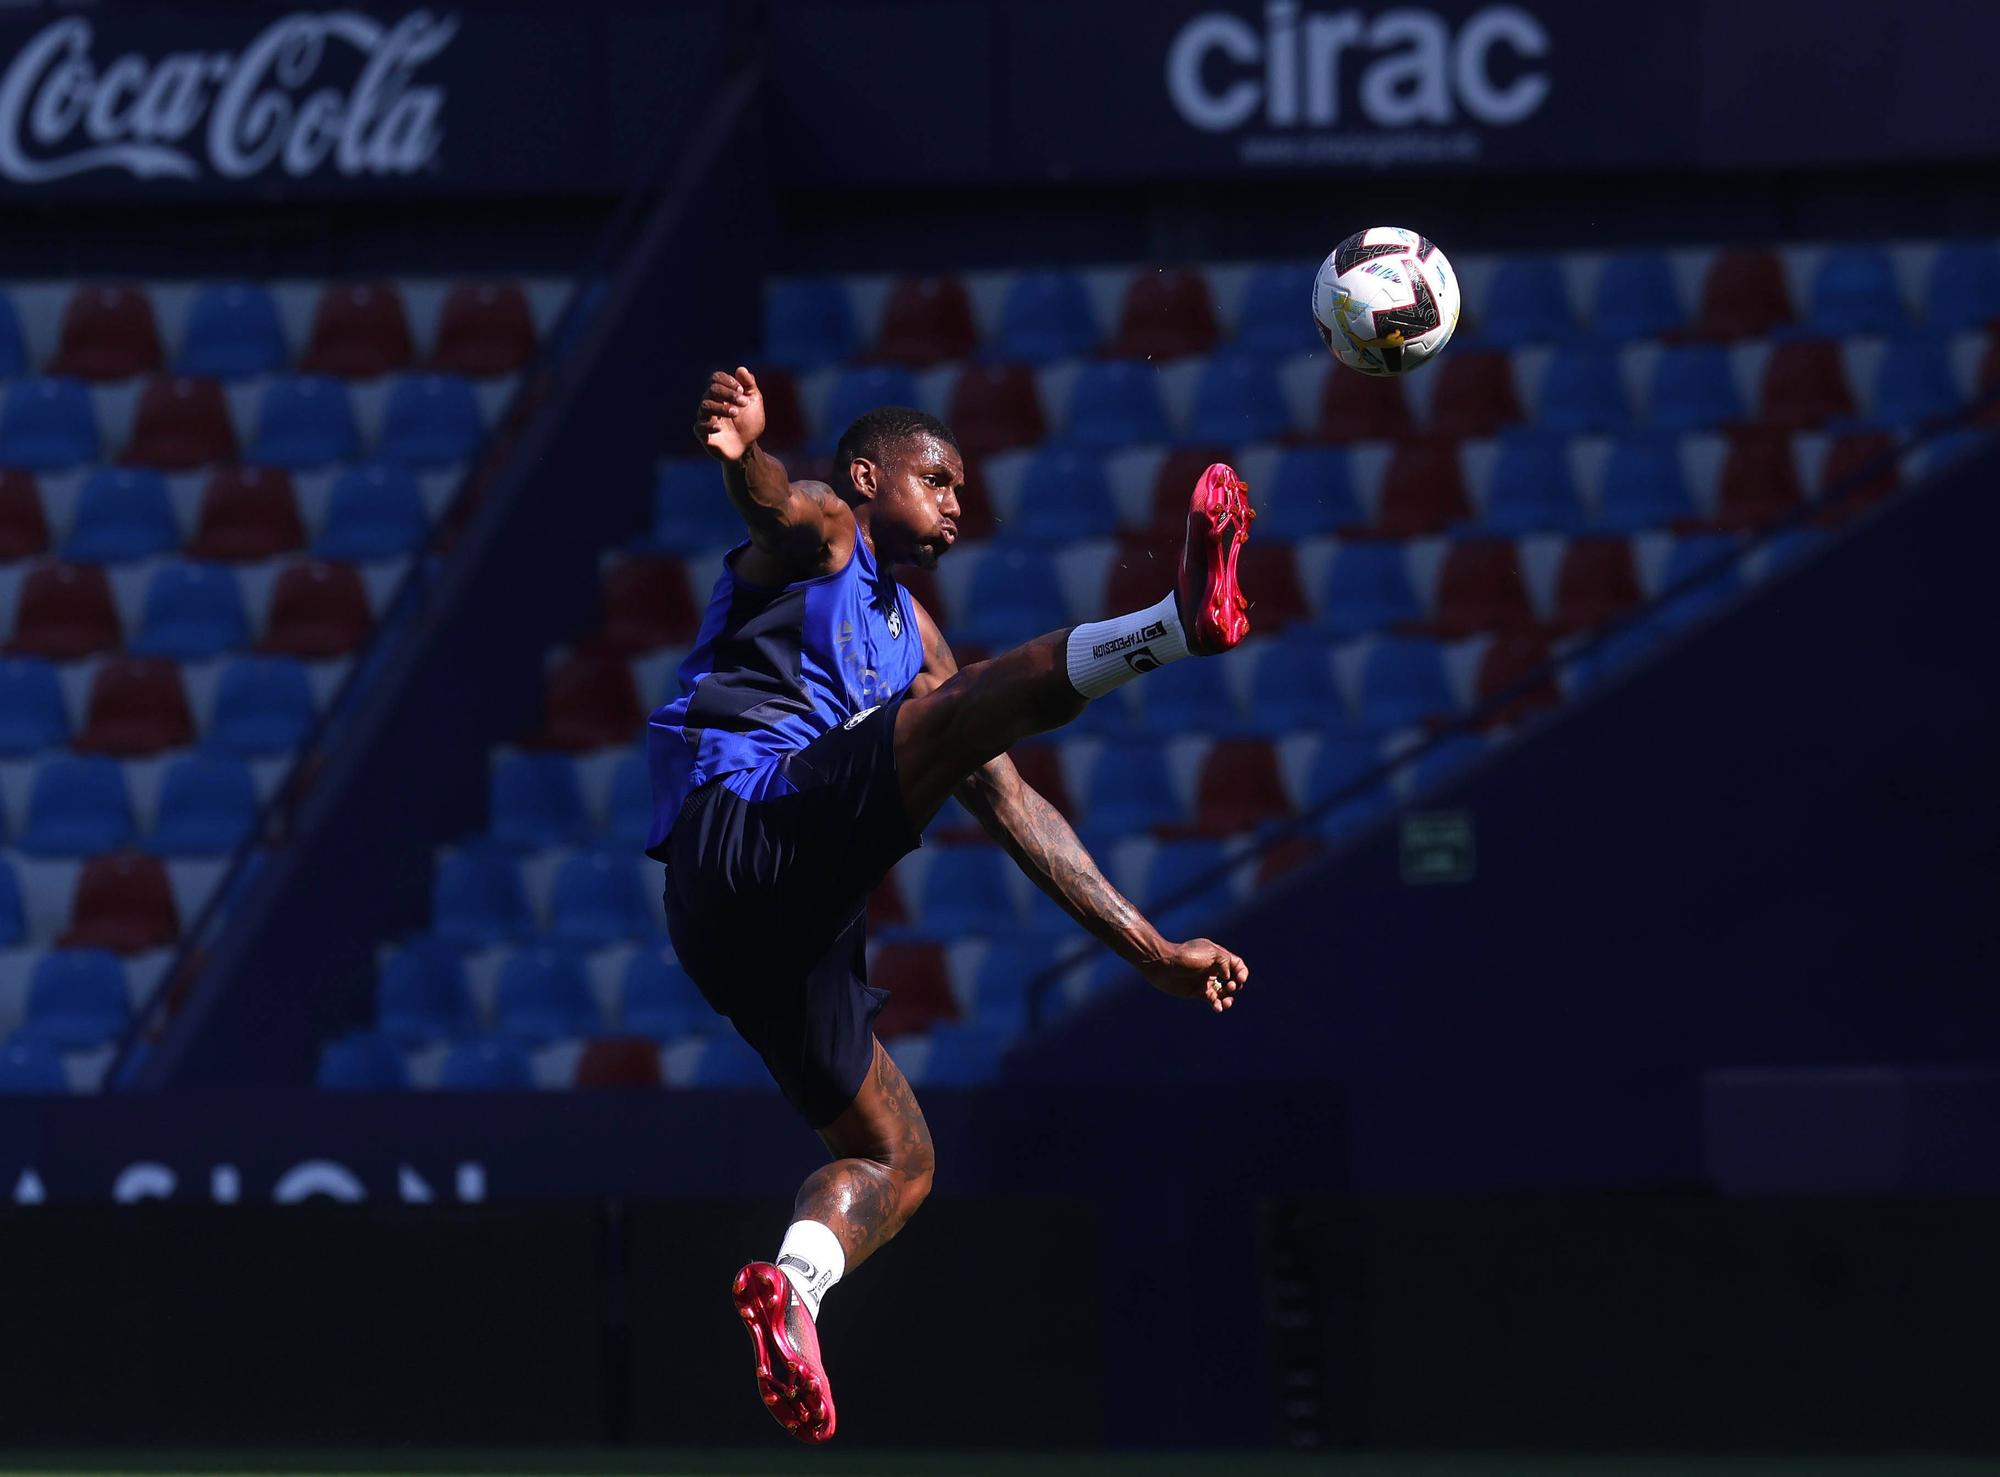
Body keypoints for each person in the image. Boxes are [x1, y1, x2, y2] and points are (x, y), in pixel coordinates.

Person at [648, 366, 1255, 1443]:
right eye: (936, 478)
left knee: (903, 1159)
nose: (956, 500)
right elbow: (777, 503)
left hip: (766, 936)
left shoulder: (915, 640)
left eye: (963, 487)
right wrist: (745, 457)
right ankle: (1177, 622)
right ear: (869, 475)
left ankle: (792, 1288)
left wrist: (1150, 947)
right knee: (956, 707)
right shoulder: (830, 536)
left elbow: (1017, 809)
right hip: (742, 823)